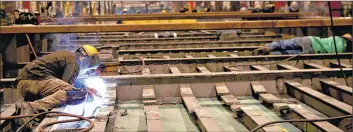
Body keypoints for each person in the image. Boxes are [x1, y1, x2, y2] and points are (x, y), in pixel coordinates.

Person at [15, 45, 101, 130]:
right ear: (88, 57)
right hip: (32, 83)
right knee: (77, 94)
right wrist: (86, 93)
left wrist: (87, 88)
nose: (86, 69)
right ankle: (32, 107)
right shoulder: (74, 62)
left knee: (75, 92)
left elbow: (63, 84)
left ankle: (34, 108)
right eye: (89, 65)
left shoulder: (69, 57)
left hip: (26, 85)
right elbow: (69, 88)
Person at [252, 33, 352, 55]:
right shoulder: (344, 51)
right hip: (314, 52)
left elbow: (347, 35)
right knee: (288, 53)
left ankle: (269, 47)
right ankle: (273, 54)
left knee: (285, 44)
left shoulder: (340, 39)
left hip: (311, 40)